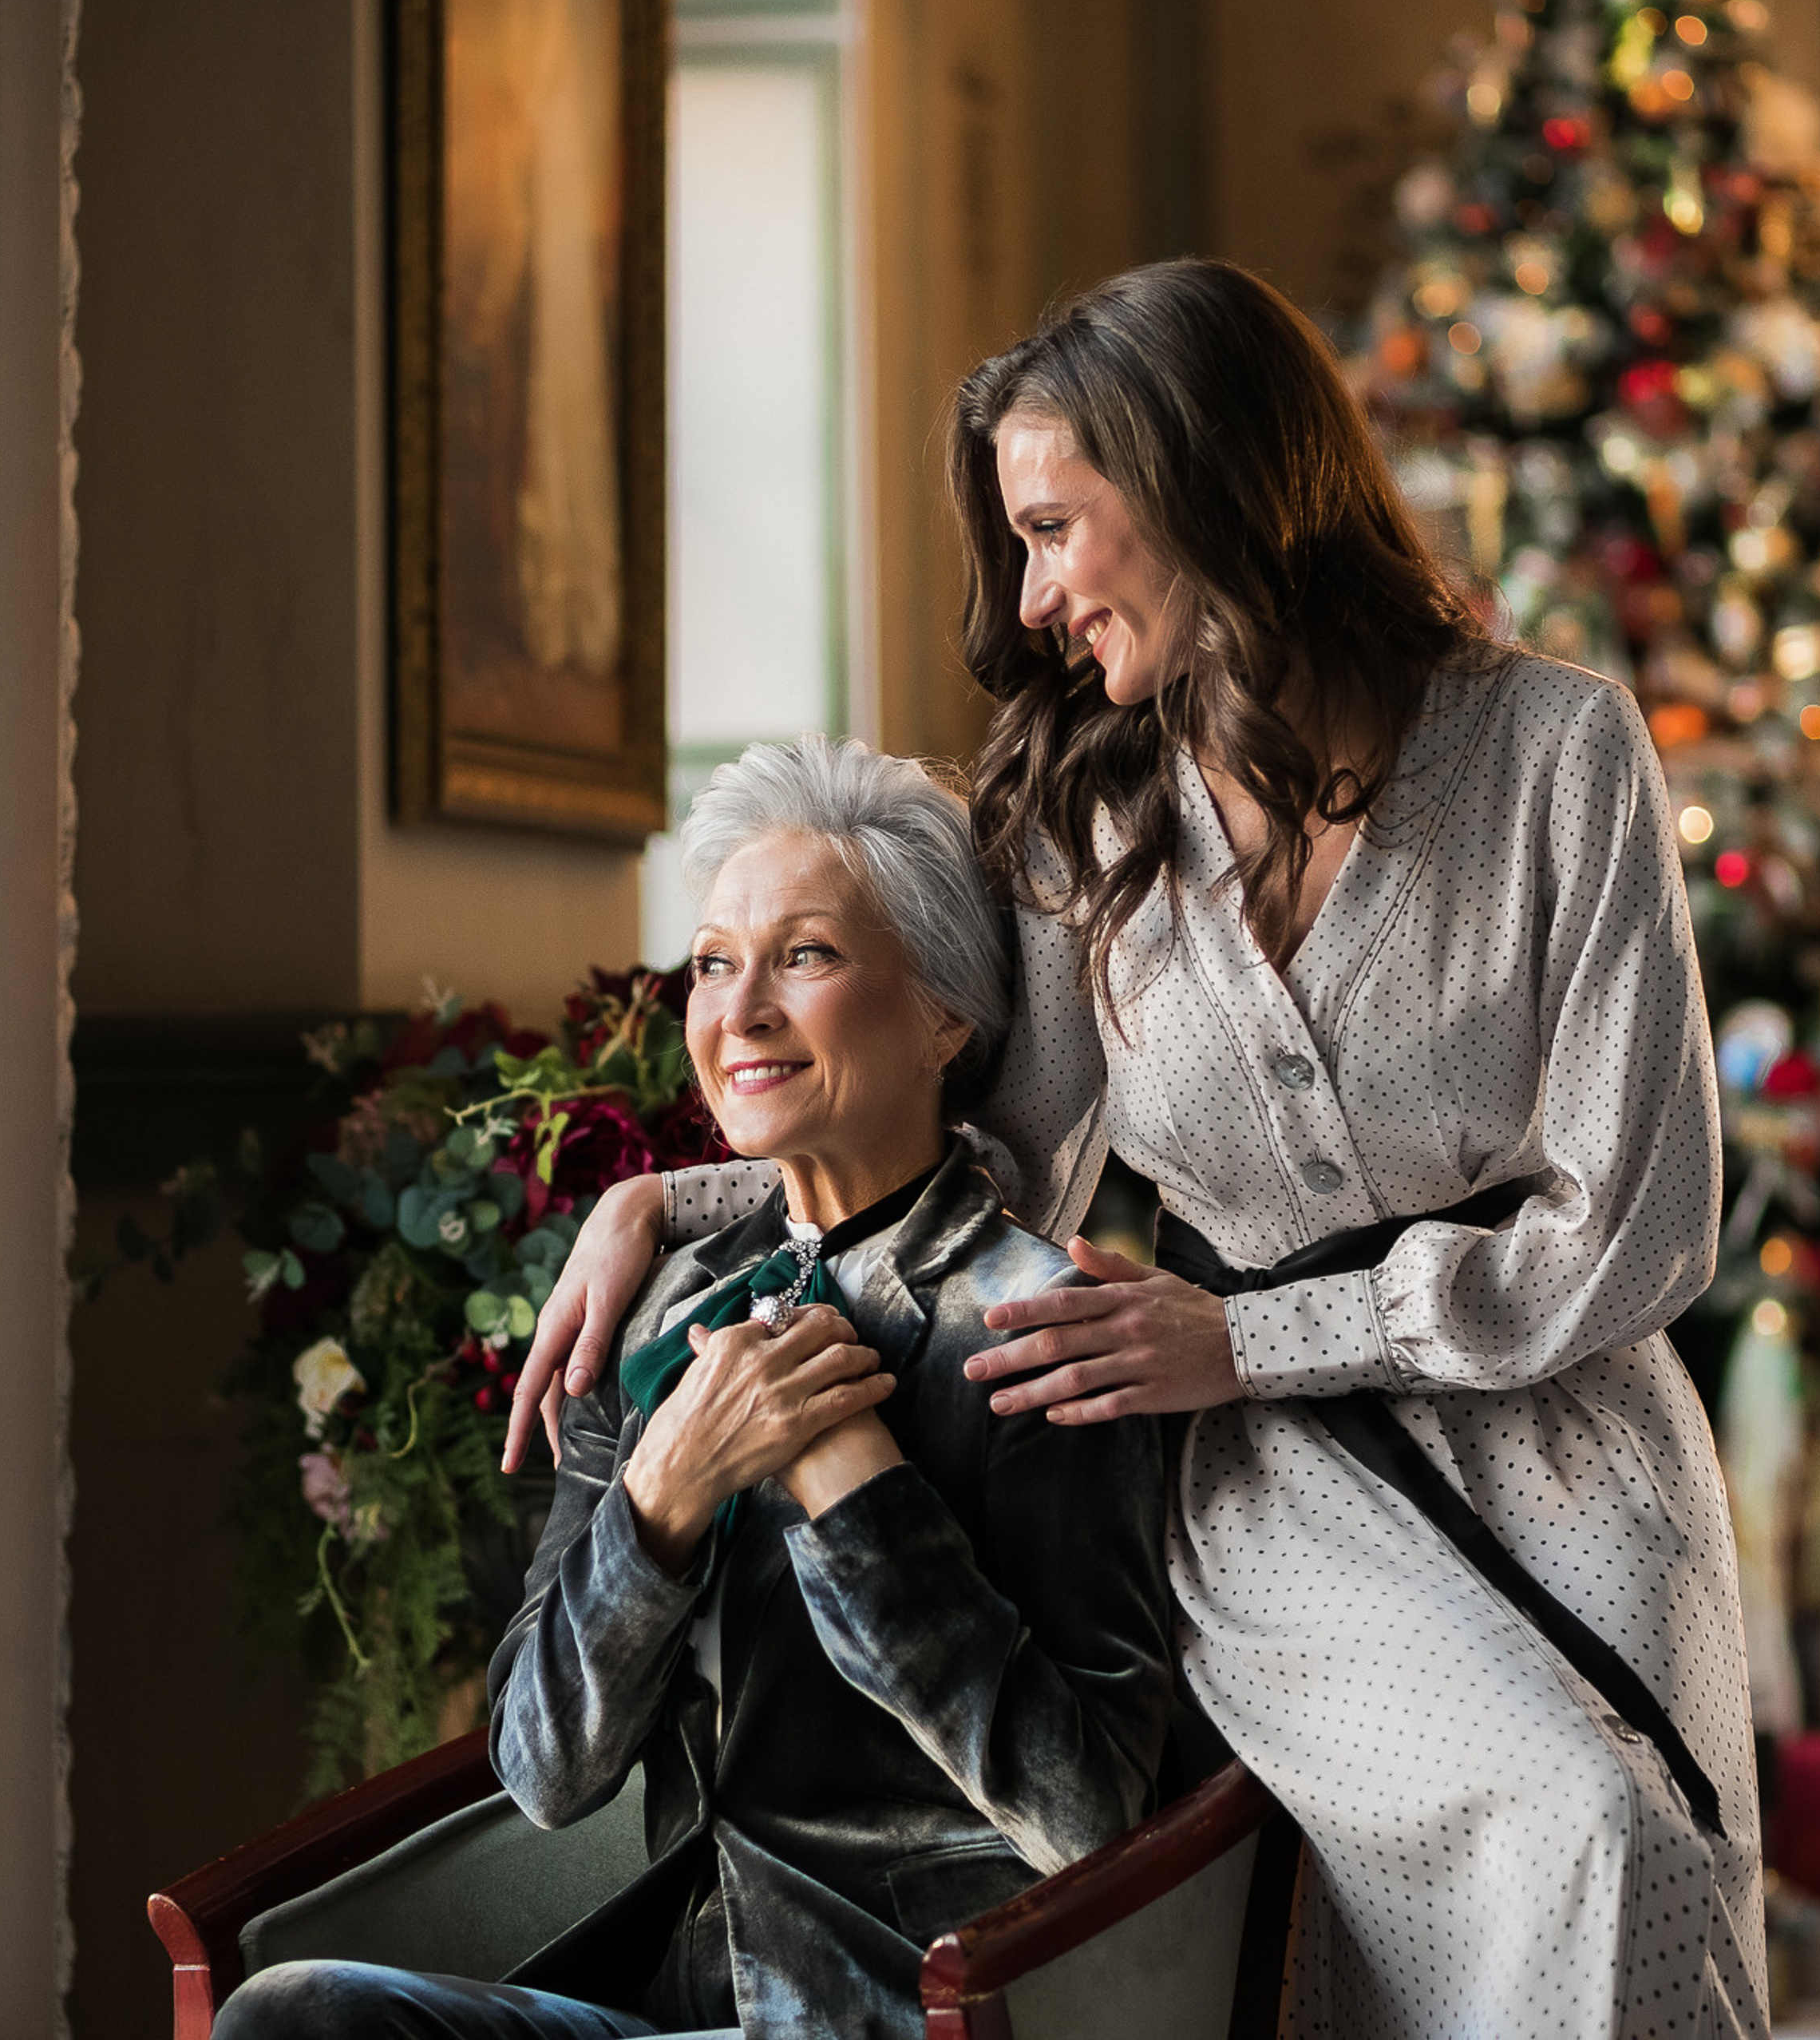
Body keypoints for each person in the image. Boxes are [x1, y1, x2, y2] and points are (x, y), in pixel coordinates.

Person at [504, 259, 1768, 2038]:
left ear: (1193, 482)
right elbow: (984, 1134)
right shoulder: (1084, 817)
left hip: (1571, 1439)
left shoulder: (1555, 749)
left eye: (1050, 531)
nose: (1026, 602)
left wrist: (1244, 1332)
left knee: (1638, 1840)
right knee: (1531, 1823)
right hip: (1266, 1475)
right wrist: (663, 1194)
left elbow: (1635, 1226)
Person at [216, 736, 1174, 2040]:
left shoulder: (1040, 1325)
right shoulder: (659, 1308)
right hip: (673, 2005)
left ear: (948, 1013)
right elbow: (542, 1773)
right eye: (716, 962)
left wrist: (856, 1487)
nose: (741, 1012)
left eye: (808, 956)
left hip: (908, 2017)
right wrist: (659, 1498)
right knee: (294, 2015)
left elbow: (1094, 1815)